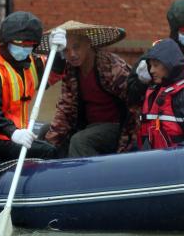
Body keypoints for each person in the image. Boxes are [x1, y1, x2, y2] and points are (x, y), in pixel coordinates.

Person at [0, 11, 67, 162]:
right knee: (48, 152)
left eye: (29, 45)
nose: (24, 48)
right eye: (19, 43)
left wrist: (59, 53)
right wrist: (13, 133)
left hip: (15, 135)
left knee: (55, 140)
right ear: (5, 42)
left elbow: (51, 74)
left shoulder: (30, 63)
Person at [41, 20, 138, 157]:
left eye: (76, 47)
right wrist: (50, 141)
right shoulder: (70, 70)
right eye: (66, 50)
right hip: (87, 125)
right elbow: (66, 108)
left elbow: (135, 102)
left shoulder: (111, 67)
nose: (72, 54)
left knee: (80, 141)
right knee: (45, 131)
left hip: (117, 127)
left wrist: (128, 141)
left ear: (88, 44)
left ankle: (82, 177)